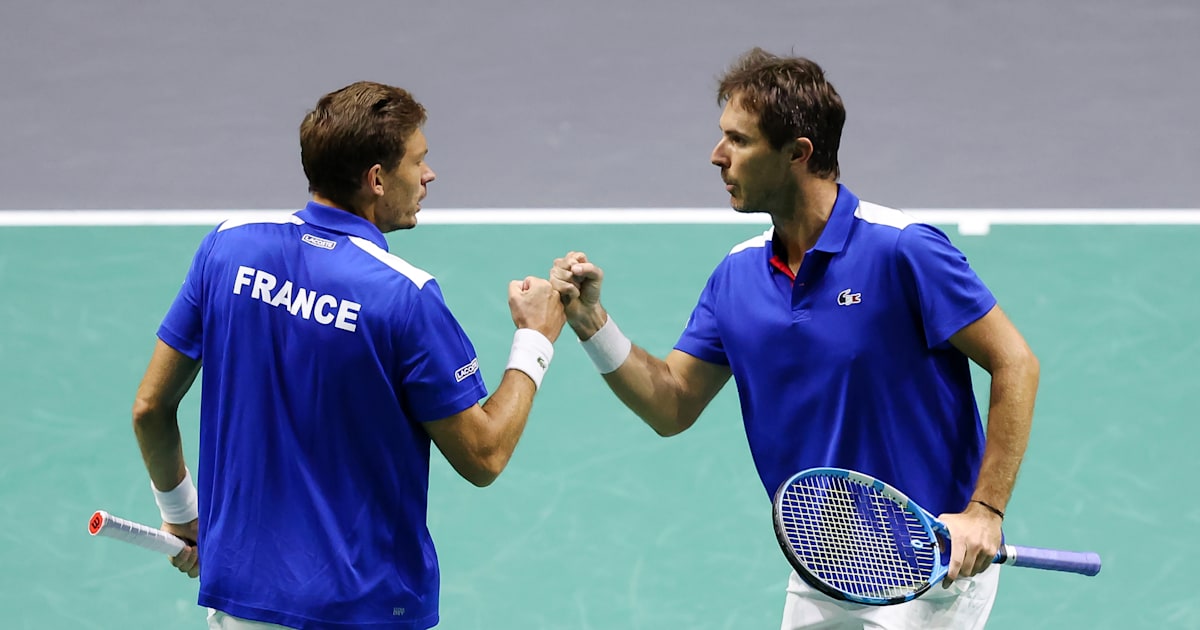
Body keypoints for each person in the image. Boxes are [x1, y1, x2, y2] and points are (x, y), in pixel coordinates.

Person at [549, 48, 1039, 629]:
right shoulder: (736, 276)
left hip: (931, 566)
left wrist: (984, 512)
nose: (716, 156)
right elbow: (672, 402)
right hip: (828, 564)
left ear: (797, 154)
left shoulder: (902, 250)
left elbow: (1016, 361)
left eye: (739, 141)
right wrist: (590, 324)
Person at [131, 81, 565, 629]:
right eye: (419, 160)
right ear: (377, 179)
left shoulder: (227, 246)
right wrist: (536, 339)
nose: (429, 175)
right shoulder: (404, 296)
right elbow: (483, 456)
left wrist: (183, 518)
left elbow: (150, 408)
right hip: (361, 610)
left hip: (240, 602)